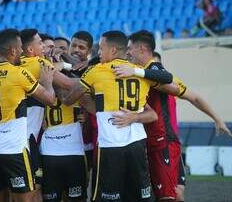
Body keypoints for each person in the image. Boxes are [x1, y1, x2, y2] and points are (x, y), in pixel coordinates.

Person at [59, 30, 180, 201]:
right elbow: (167, 79)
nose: (98, 53)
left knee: (106, 197)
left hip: (110, 146)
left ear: (113, 50)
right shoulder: (138, 71)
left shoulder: (96, 71)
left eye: (101, 48)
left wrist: (53, 81)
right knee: (139, 197)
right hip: (137, 146)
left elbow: (69, 99)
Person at [112, 30, 231, 202]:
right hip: (149, 142)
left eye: (130, 48)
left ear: (142, 48)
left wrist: (217, 119)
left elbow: (187, 93)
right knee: (170, 194)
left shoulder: (154, 72)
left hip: (163, 142)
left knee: (169, 196)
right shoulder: (137, 73)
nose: (127, 52)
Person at [0, 28, 56, 202]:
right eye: (20, 48)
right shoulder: (19, 73)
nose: (23, 52)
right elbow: (50, 100)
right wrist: (48, 82)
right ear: (13, 51)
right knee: (25, 198)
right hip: (13, 150)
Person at [19, 28, 76, 201]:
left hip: (19, 138)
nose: (43, 46)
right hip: (25, 140)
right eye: (39, 43)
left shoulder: (19, 64)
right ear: (30, 49)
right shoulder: (37, 63)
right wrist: (96, 78)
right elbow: (69, 84)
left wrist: (61, 64)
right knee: (33, 189)